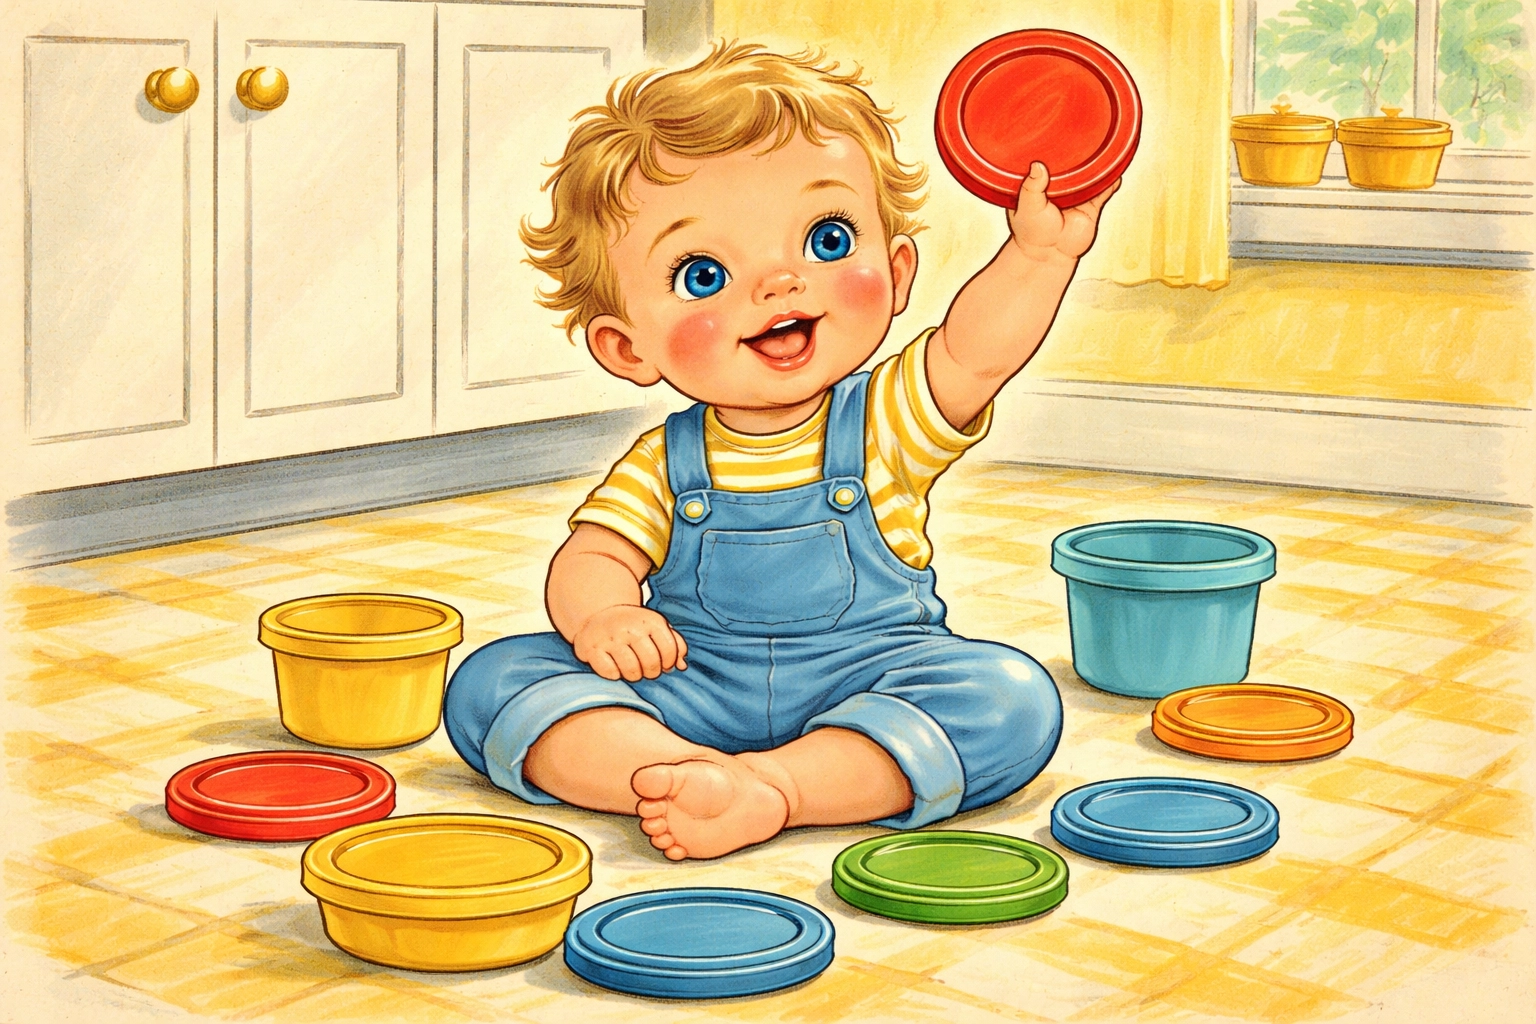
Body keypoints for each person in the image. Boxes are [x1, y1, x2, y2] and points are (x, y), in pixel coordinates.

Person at [445, 41, 1117, 860]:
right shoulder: (664, 460)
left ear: (898, 273)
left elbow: (976, 354)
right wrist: (606, 617)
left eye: (827, 240)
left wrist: (1040, 256)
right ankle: (674, 770)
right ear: (627, 347)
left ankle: (779, 787)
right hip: (689, 685)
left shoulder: (888, 418)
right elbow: (596, 555)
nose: (778, 284)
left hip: (875, 678)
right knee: (494, 682)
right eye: (702, 274)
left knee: (1008, 697)